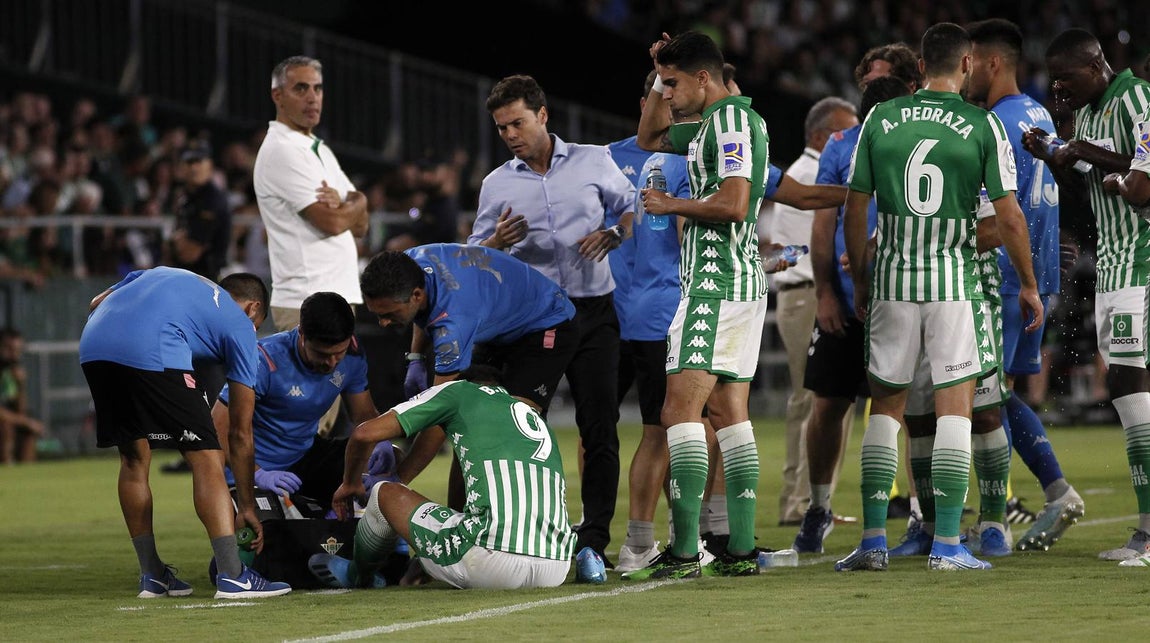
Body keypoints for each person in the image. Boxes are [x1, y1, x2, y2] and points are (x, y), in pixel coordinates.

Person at [836, 22, 1041, 572]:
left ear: (921, 67)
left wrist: (860, 278)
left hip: (894, 284)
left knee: (886, 411)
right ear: (968, 64)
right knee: (957, 409)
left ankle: (874, 540)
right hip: (953, 285)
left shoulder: (881, 117)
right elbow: (1009, 216)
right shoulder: (981, 125)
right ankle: (949, 544)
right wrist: (1026, 282)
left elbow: (856, 209)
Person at [468, 74, 635, 565]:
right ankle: (523, 530)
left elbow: (631, 207)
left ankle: (595, 539)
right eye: (501, 128)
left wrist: (614, 234)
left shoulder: (593, 159)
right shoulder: (496, 184)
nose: (510, 135)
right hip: (535, 318)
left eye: (517, 123)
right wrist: (496, 241)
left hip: (593, 313)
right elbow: (474, 253)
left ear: (543, 115)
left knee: (599, 426)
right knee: (521, 426)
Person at [625, 29, 770, 579]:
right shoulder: (714, 125)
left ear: (704, 78)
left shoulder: (731, 122)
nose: (667, 94)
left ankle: (685, 552)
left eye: (674, 84)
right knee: (729, 413)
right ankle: (741, 549)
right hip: (738, 283)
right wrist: (661, 68)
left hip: (716, 281)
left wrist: (671, 201)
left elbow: (734, 205)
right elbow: (648, 138)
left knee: (676, 412)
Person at [79, 267, 291, 598]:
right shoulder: (241, 325)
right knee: (207, 456)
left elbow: (96, 302)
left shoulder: (167, 276)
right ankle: (233, 575)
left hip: (94, 346)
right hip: (154, 347)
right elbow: (239, 431)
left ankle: (153, 575)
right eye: (257, 322)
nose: (254, 329)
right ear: (253, 309)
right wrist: (247, 505)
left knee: (134, 458)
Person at [1020, 29, 1150, 565]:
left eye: (1067, 79)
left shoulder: (1135, 97)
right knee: (1127, 386)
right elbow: (1090, 189)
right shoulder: (1091, 116)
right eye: (1054, 82)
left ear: (1096, 66)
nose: (1060, 90)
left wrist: (1081, 150)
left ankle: (1147, 534)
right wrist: (1057, 158)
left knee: (1128, 383)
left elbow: (1142, 186)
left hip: (1141, 260)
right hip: (1115, 264)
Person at [965, 18, 1085, 553]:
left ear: (992, 63)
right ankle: (1053, 492)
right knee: (998, 394)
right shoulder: (1037, 112)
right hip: (1037, 276)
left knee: (976, 398)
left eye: (970, 62)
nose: (964, 73)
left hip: (1007, 278)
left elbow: (1000, 209)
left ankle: (998, 518)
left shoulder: (995, 122)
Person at [793, 60, 919, 555]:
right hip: (848, 301)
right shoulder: (841, 147)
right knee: (828, 405)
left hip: (903, 296)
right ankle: (819, 507)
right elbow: (824, 223)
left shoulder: (911, 142)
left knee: (909, 412)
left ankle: (918, 515)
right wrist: (825, 289)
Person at [307, 365, 576, 590]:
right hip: (556, 567)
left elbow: (363, 434)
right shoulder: (534, 418)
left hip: (492, 561)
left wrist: (350, 483)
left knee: (382, 493)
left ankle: (358, 575)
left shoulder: (459, 391)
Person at [359, 245, 578, 483]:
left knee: (507, 429)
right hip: (498, 327)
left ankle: (525, 512)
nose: (382, 323)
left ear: (416, 295)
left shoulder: (454, 323)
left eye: (389, 313)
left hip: (547, 324)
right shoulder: (409, 263)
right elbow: (424, 314)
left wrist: (399, 479)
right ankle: (462, 515)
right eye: (377, 314)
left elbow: (439, 415)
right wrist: (416, 357)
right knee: (469, 433)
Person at [253, 55, 368, 438]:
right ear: (277, 95)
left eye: (317, 88)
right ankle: (265, 495)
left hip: (331, 295)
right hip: (306, 298)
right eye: (300, 88)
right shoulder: (284, 149)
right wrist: (353, 205)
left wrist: (355, 204)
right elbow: (335, 221)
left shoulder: (316, 148)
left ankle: (295, 497)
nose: (312, 97)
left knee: (322, 422)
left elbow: (362, 222)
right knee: (300, 424)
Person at [769, 96, 859, 527]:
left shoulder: (804, 172)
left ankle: (811, 501)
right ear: (822, 136)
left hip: (807, 291)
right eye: (844, 131)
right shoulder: (809, 175)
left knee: (826, 399)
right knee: (813, 399)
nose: (851, 139)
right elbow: (810, 242)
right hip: (808, 292)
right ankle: (800, 503)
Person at [211, 291, 380, 511]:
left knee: (383, 458)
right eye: (321, 354)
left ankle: (379, 531)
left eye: (339, 353)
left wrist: (380, 445)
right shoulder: (262, 360)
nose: (331, 363)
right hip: (252, 470)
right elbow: (217, 425)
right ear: (301, 334)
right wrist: (257, 473)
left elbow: (364, 417)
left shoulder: (354, 355)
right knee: (267, 539)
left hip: (305, 458)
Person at [169, 140, 231, 280]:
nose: (194, 168)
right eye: (189, 162)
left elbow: (191, 253)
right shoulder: (186, 196)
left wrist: (175, 242)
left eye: (199, 161)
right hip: (186, 276)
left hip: (207, 278)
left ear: (210, 165)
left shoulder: (212, 199)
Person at [0, 328, 44, 464]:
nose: (14, 355)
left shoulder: (12, 371)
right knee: (6, 425)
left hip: (12, 419)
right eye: (9, 349)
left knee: (29, 434)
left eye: (17, 351)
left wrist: (21, 385)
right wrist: (26, 422)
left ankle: (27, 473)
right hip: (5, 423)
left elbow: (21, 410)